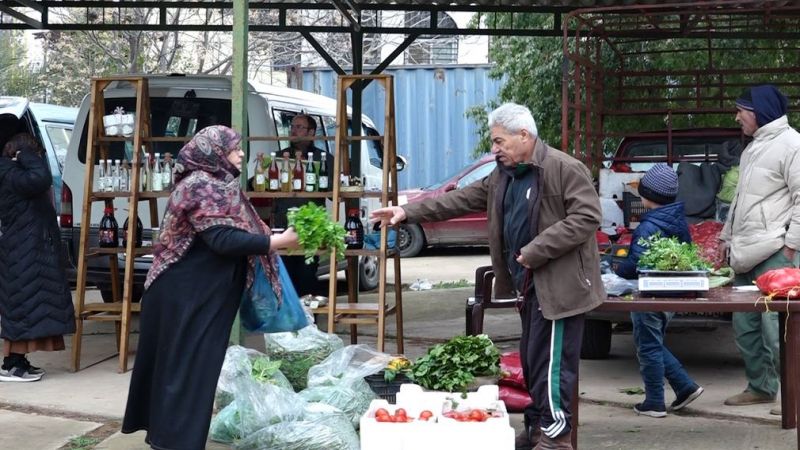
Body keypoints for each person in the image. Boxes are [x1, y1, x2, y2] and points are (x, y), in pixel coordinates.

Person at [370, 103, 605, 450]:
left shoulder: (562, 168)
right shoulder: (503, 175)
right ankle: (538, 427)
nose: (494, 149)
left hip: (561, 287)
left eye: (499, 141)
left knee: (553, 367)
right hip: (530, 286)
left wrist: (536, 249)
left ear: (524, 135)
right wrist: (407, 211)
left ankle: (557, 439)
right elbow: (460, 199)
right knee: (532, 360)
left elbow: (586, 217)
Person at [121, 126, 299, 449]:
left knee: (187, 373)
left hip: (199, 293)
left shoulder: (218, 185)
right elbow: (221, 238)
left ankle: (169, 440)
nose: (241, 153)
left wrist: (272, 236)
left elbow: (232, 229)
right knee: (187, 373)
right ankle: (174, 442)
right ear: (213, 151)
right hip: (183, 295)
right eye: (234, 148)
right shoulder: (199, 185)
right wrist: (276, 241)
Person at [719, 85, 800, 415]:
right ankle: (761, 388)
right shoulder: (753, 147)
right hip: (745, 253)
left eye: (741, 110)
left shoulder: (792, 144)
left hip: (775, 252)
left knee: (777, 330)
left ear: (760, 111)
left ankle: (793, 396)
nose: (737, 116)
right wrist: (726, 236)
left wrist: (791, 246)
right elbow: (740, 200)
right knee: (747, 326)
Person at [613, 164, 704, 417]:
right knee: (652, 343)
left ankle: (654, 401)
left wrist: (617, 267)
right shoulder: (679, 222)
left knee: (648, 347)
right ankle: (684, 387)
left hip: (650, 296)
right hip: (671, 296)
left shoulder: (648, 226)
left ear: (645, 196)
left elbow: (636, 266)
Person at [0, 133, 76, 382]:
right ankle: (11, 364)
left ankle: (18, 362)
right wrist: (27, 155)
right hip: (22, 249)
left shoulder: (12, 172)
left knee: (28, 306)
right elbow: (40, 178)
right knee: (23, 307)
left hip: (26, 247)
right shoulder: (11, 173)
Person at [272, 113, 334, 296]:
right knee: (284, 282)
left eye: (299, 127)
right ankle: (288, 324)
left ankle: (309, 322)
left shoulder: (323, 159)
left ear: (311, 133)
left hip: (310, 230)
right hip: (282, 228)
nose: (294, 130)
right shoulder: (278, 157)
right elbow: (259, 183)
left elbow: (334, 192)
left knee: (306, 279)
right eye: (292, 126)